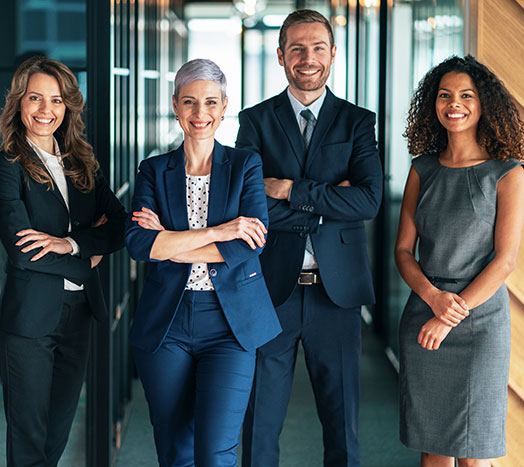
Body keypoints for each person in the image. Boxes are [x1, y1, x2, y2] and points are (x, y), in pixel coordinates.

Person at [235, 9, 383, 466]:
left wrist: (290, 190)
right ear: (281, 56)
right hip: (270, 291)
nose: (308, 58)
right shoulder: (255, 120)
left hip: (334, 297)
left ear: (333, 54)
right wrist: (325, 207)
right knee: (259, 424)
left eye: (318, 47)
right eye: (297, 48)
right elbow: (250, 207)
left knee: (342, 428)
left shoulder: (357, 122)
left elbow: (369, 201)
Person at [125, 58, 281, 466]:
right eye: (190, 102)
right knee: (175, 451)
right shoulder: (154, 170)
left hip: (229, 324)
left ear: (224, 105)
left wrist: (170, 241)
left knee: (215, 452)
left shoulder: (246, 165)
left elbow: (250, 245)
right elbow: (141, 245)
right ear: (175, 105)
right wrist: (216, 232)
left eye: (210, 103)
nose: (200, 113)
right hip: (167, 323)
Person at [0, 56, 126, 466]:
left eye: (57, 100)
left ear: (68, 108)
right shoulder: (6, 166)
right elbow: (22, 250)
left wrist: (69, 244)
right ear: (18, 103)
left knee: (58, 433)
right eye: (35, 98)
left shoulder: (80, 162)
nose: (46, 110)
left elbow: (119, 225)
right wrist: (87, 257)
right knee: (29, 438)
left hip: (77, 315)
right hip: (28, 321)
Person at [395, 56, 524, 467]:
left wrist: (448, 314)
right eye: (445, 95)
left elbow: (505, 261)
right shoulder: (423, 169)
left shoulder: (508, 173)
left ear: (484, 103)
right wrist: (433, 299)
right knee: (433, 446)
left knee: (473, 451)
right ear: (433, 105)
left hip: (480, 321)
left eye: (467, 95)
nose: (455, 103)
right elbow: (402, 251)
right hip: (424, 312)